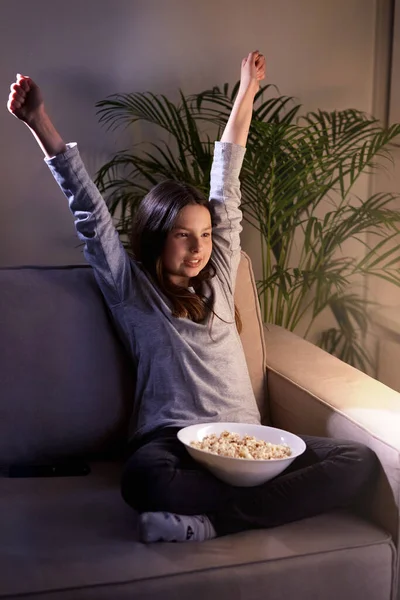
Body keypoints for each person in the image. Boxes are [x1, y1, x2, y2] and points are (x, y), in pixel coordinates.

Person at [7, 51, 378, 544]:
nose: (200, 247)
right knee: (143, 479)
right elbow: (90, 213)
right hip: (172, 444)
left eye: (205, 235)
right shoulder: (131, 288)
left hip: (248, 444)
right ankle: (243, 512)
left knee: (358, 461)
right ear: (159, 236)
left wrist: (247, 90)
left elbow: (227, 177)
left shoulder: (222, 277)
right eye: (184, 235)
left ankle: (209, 524)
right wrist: (39, 121)